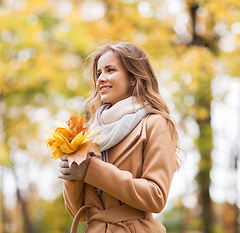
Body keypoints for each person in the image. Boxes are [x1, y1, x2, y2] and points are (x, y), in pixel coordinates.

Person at [58, 42, 181, 233]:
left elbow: (156, 197)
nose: (101, 79)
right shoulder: (90, 133)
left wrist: (91, 169)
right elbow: (79, 212)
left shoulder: (154, 123)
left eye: (110, 70)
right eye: (99, 73)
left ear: (133, 78)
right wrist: (71, 176)